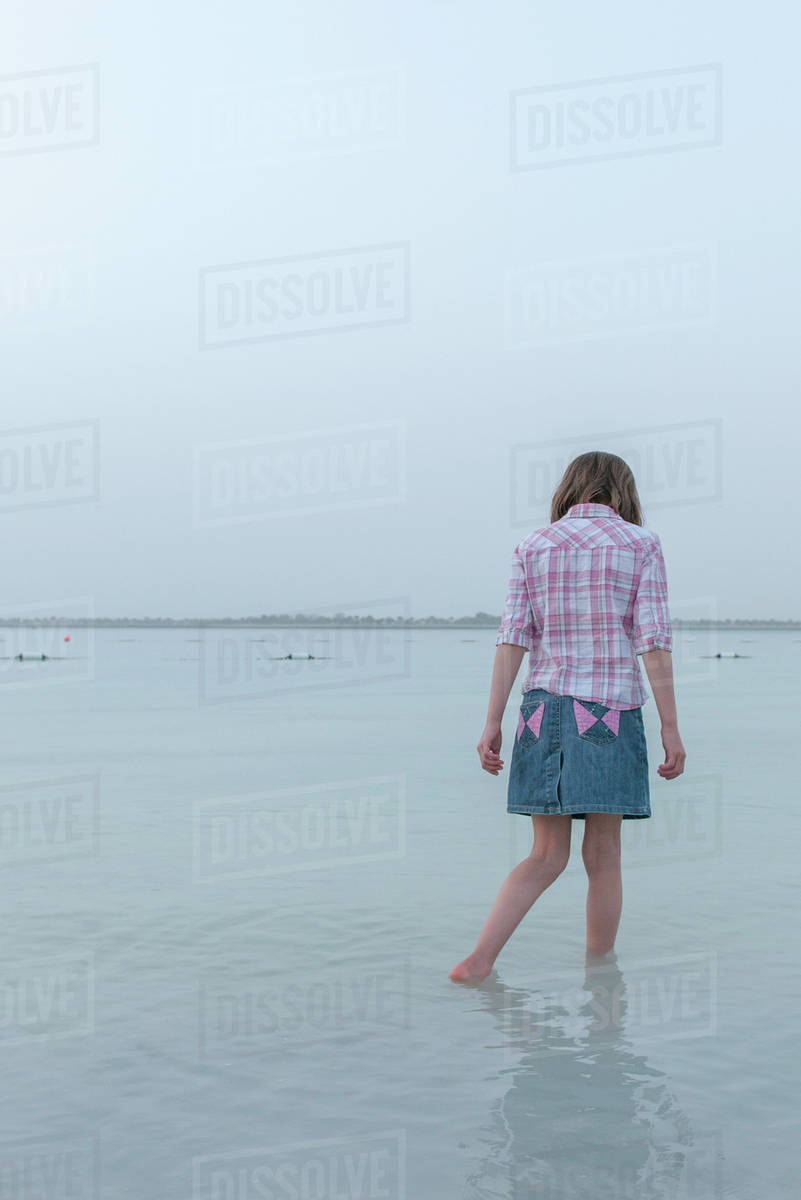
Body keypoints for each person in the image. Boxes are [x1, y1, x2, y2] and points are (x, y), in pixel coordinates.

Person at [450, 451, 686, 983]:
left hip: (538, 712)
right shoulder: (639, 543)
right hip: (607, 710)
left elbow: (512, 637)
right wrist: (670, 726)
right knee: (602, 856)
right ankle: (602, 985)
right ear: (622, 491)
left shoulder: (533, 545)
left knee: (545, 855)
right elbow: (653, 640)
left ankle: (478, 961)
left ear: (569, 488)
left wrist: (492, 720)